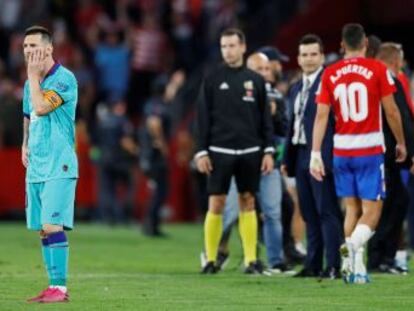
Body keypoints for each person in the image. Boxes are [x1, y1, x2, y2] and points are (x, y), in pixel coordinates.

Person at [310, 23, 407, 284]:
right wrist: (401, 142)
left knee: (352, 208)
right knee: (373, 210)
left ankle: (356, 270)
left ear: (342, 45)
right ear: (365, 43)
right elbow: (392, 111)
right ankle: (352, 246)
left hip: (342, 150)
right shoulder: (377, 69)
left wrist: (316, 153)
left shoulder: (329, 73)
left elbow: (321, 115)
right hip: (369, 148)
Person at [195, 28, 274, 274]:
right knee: (216, 203)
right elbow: (202, 118)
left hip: (251, 150)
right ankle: (210, 259)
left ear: (243, 47)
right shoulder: (212, 79)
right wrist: (201, 152)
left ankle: (251, 260)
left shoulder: (257, 80)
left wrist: (268, 151)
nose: (227, 51)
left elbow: (265, 120)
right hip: (219, 150)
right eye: (223, 46)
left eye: (231, 46)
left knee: (248, 201)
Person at [205, 52, 290, 274]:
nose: (263, 74)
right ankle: (214, 252)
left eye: (266, 70)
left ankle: (273, 260)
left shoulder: (275, 97)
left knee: (272, 212)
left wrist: (275, 116)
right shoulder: (234, 89)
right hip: (239, 156)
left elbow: (281, 129)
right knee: (229, 211)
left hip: (265, 160)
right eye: (259, 69)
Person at [22, 26, 78, 303]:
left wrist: (33, 78)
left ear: (49, 48)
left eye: (34, 46)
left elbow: (42, 106)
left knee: (52, 225)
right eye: (25, 47)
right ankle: (52, 286)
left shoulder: (65, 79)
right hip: (37, 165)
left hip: (60, 164)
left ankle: (60, 288)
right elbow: (29, 114)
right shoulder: (28, 84)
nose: (29, 52)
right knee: (43, 229)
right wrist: (24, 143)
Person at [282, 34, 343, 279]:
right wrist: (287, 158)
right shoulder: (296, 87)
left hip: (320, 154)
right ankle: (313, 263)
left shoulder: (330, 83)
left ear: (321, 56)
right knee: (308, 211)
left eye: (313, 54)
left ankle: (333, 265)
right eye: (304, 55)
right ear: (298, 58)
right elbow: (292, 124)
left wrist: (330, 155)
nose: (308, 59)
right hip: (300, 155)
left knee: (326, 210)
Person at [367, 43, 414, 274]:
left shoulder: (370, 80)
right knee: (393, 203)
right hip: (388, 153)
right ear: (397, 62)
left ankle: (383, 256)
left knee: (389, 202)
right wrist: (410, 152)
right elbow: (401, 117)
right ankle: (380, 257)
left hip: (372, 151)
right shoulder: (390, 81)